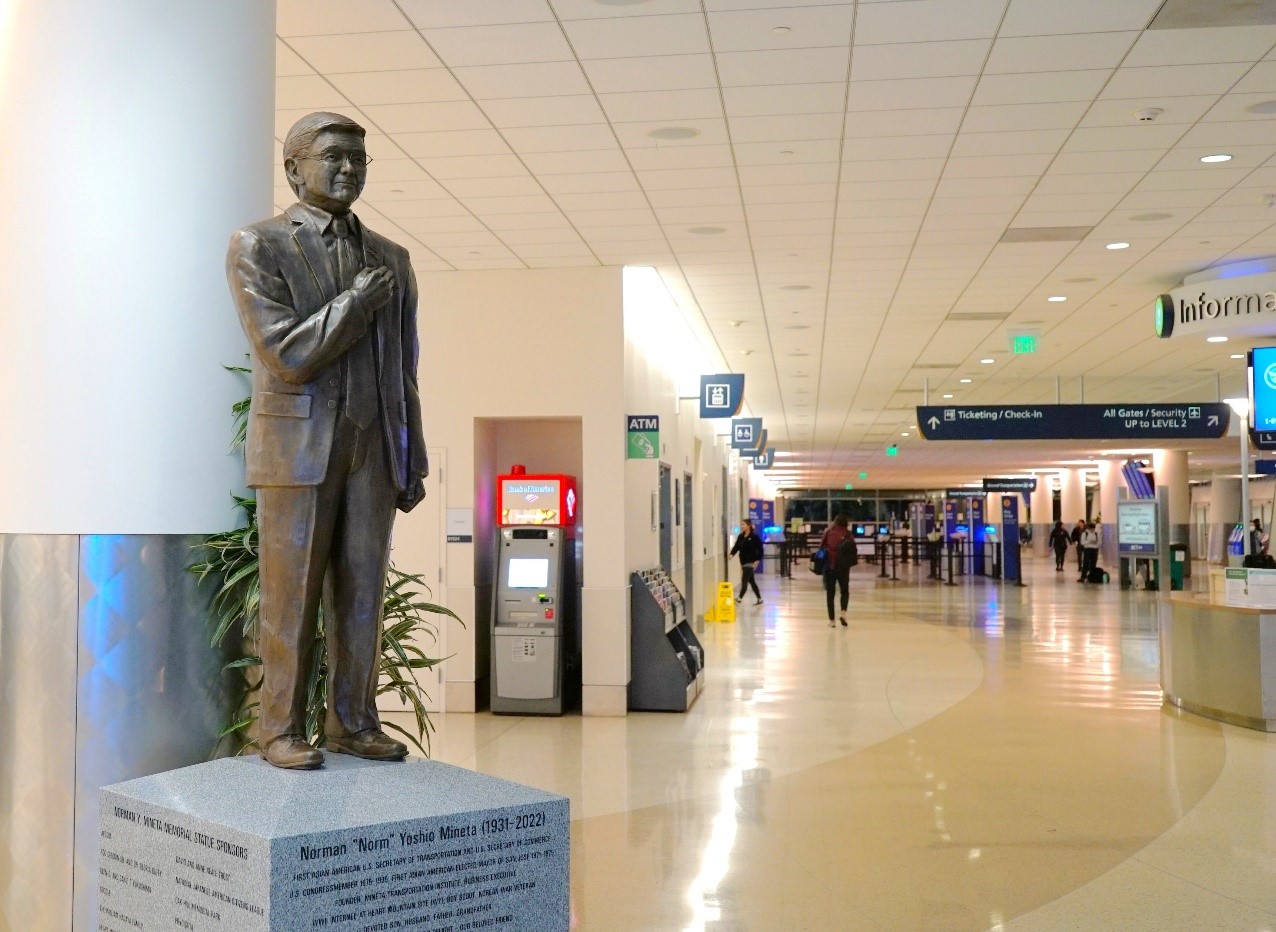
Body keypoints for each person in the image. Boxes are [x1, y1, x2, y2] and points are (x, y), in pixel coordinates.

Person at [226, 112, 428, 770]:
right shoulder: (258, 246)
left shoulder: (392, 259)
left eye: (359, 161)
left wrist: (411, 453)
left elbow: (404, 370)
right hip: (298, 450)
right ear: (294, 169)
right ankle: (279, 727)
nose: (348, 170)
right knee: (291, 596)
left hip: (372, 447)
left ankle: (352, 722)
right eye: (334, 157)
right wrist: (356, 305)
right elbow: (286, 353)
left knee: (363, 592)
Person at [819, 514, 855, 627]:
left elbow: (821, 547)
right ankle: (843, 614)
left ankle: (832, 621)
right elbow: (852, 549)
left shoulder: (828, 532)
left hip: (830, 566)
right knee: (844, 591)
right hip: (843, 567)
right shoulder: (848, 534)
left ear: (835, 522)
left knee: (830, 594)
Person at [730, 519, 764, 605]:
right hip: (743, 561)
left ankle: (739, 599)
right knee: (752, 581)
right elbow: (736, 546)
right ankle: (759, 599)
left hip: (750, 562)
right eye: (741, 524)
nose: (742, 526)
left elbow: (760, 549)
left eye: (743, 524)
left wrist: (757, 560)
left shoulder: (754, 537)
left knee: (744, 580)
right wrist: (731, 554)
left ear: (748, 526)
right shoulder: (741, 536)